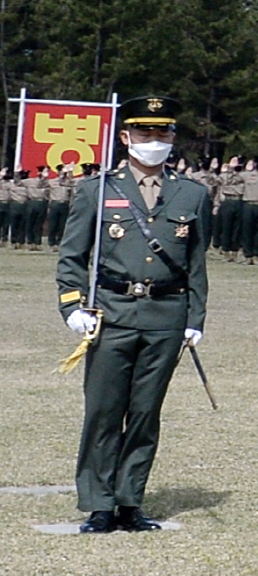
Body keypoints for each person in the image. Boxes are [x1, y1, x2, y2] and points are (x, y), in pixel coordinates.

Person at [54, 98, 209, 534]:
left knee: (145, 412)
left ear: (173, 138)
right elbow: (71, 257)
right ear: (126, 138)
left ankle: (129, 502)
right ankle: (99, 503)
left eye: (162, 134)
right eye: (145, 134)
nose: (154, 142)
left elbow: (196, 262)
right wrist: (71, 306)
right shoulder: (97, 190)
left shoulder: (192, 193)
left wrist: (195, 316)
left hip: (166, 314)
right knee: (104, 411)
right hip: (112, 312)